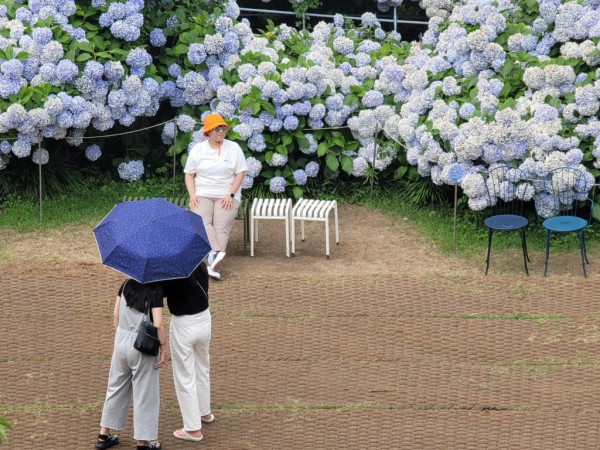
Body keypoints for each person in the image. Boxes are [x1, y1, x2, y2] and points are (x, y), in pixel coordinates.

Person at [95, 279, 166, 450]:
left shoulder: (126, 284)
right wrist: (163, 347)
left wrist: (120, 336)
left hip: (121, 340)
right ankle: (143, 442)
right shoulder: (155, 289)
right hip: (142, 346)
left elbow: (115, 314)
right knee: (145, 395)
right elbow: (158, 324)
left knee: (115, 387)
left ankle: (103, 435)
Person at [184, 113, 248, 280]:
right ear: (208, 132)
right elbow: (189, 174)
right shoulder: (198, 149)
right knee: (201, 221)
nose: (221, 131)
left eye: (223, 128)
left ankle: (213, 263)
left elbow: (241, 173)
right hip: (202, 193)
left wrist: (230, 195)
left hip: (227, 194)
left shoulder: (234, 148)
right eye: (217, 128)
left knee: (221, 227)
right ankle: (214, 256)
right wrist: (192, 195)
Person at [162, 261, 214, 442]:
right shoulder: (200, 264)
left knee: (185, 376)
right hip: (204, 319)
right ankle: (204, 411)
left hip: (183, 325)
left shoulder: (170, 269)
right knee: (202, 368)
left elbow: (160, 294)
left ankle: (192, 429)